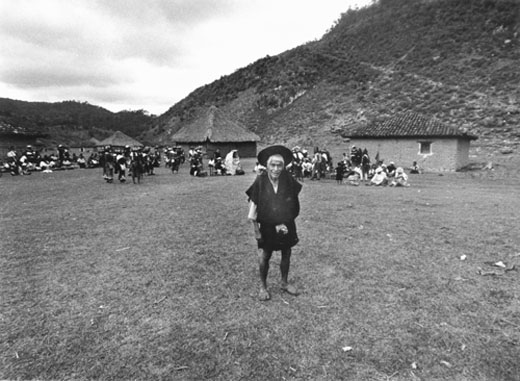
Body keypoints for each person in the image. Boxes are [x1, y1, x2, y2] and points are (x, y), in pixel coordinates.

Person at [246, 145, 303, 301]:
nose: (276, 168)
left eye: (279, 165)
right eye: (273, 165)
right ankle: (263, 287)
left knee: (287, 253)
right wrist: (256, 230)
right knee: (264, 256)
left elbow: (294, 205)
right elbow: (254, 208)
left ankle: (284, 283)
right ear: (267, 166)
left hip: (287, 224)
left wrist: (284, 222)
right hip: (267, 226)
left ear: (283, 167)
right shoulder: (260, 181)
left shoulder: (288, 180)